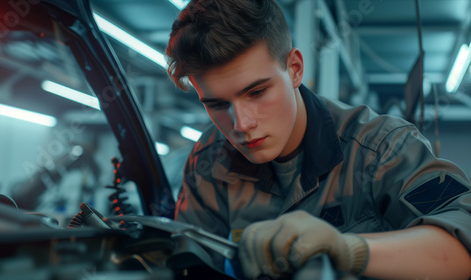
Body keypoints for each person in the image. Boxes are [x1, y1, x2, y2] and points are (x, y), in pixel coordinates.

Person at [165, 0, 471, 279]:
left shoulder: (382, 148)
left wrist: (349, 250)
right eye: (217, 104)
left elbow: (462, 246)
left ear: (295, 69)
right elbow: (193, 265)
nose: (241, 124)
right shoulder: (208, 159)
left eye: (257, 92)